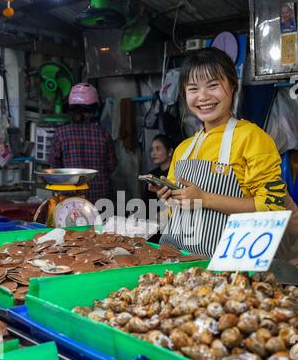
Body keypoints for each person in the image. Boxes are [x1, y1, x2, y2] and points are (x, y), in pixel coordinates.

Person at [149, 47, 286, 257]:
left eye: (213, 86)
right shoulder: (183, 150)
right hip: (176, 263)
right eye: (193, 89)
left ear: (232, 85)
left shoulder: (252, 138)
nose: (203, 97)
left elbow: (272, 208)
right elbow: (174, 213)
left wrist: (204, 198)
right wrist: (169, 196)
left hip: (227, 271)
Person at [50, 83, 117, 205]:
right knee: (99, 224)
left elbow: (55, 169)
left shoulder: (60, 134)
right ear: (93, 110)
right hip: (100, 200)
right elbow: (112, 166)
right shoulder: (104, 135)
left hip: (70, 198)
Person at [143, 134, 174, 219]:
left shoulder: (176, 174)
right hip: (153, 223)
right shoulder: (151, 175)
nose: (153, 153)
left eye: (158, 149)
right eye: (152, 150)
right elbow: (146, 203)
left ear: (170, 151)